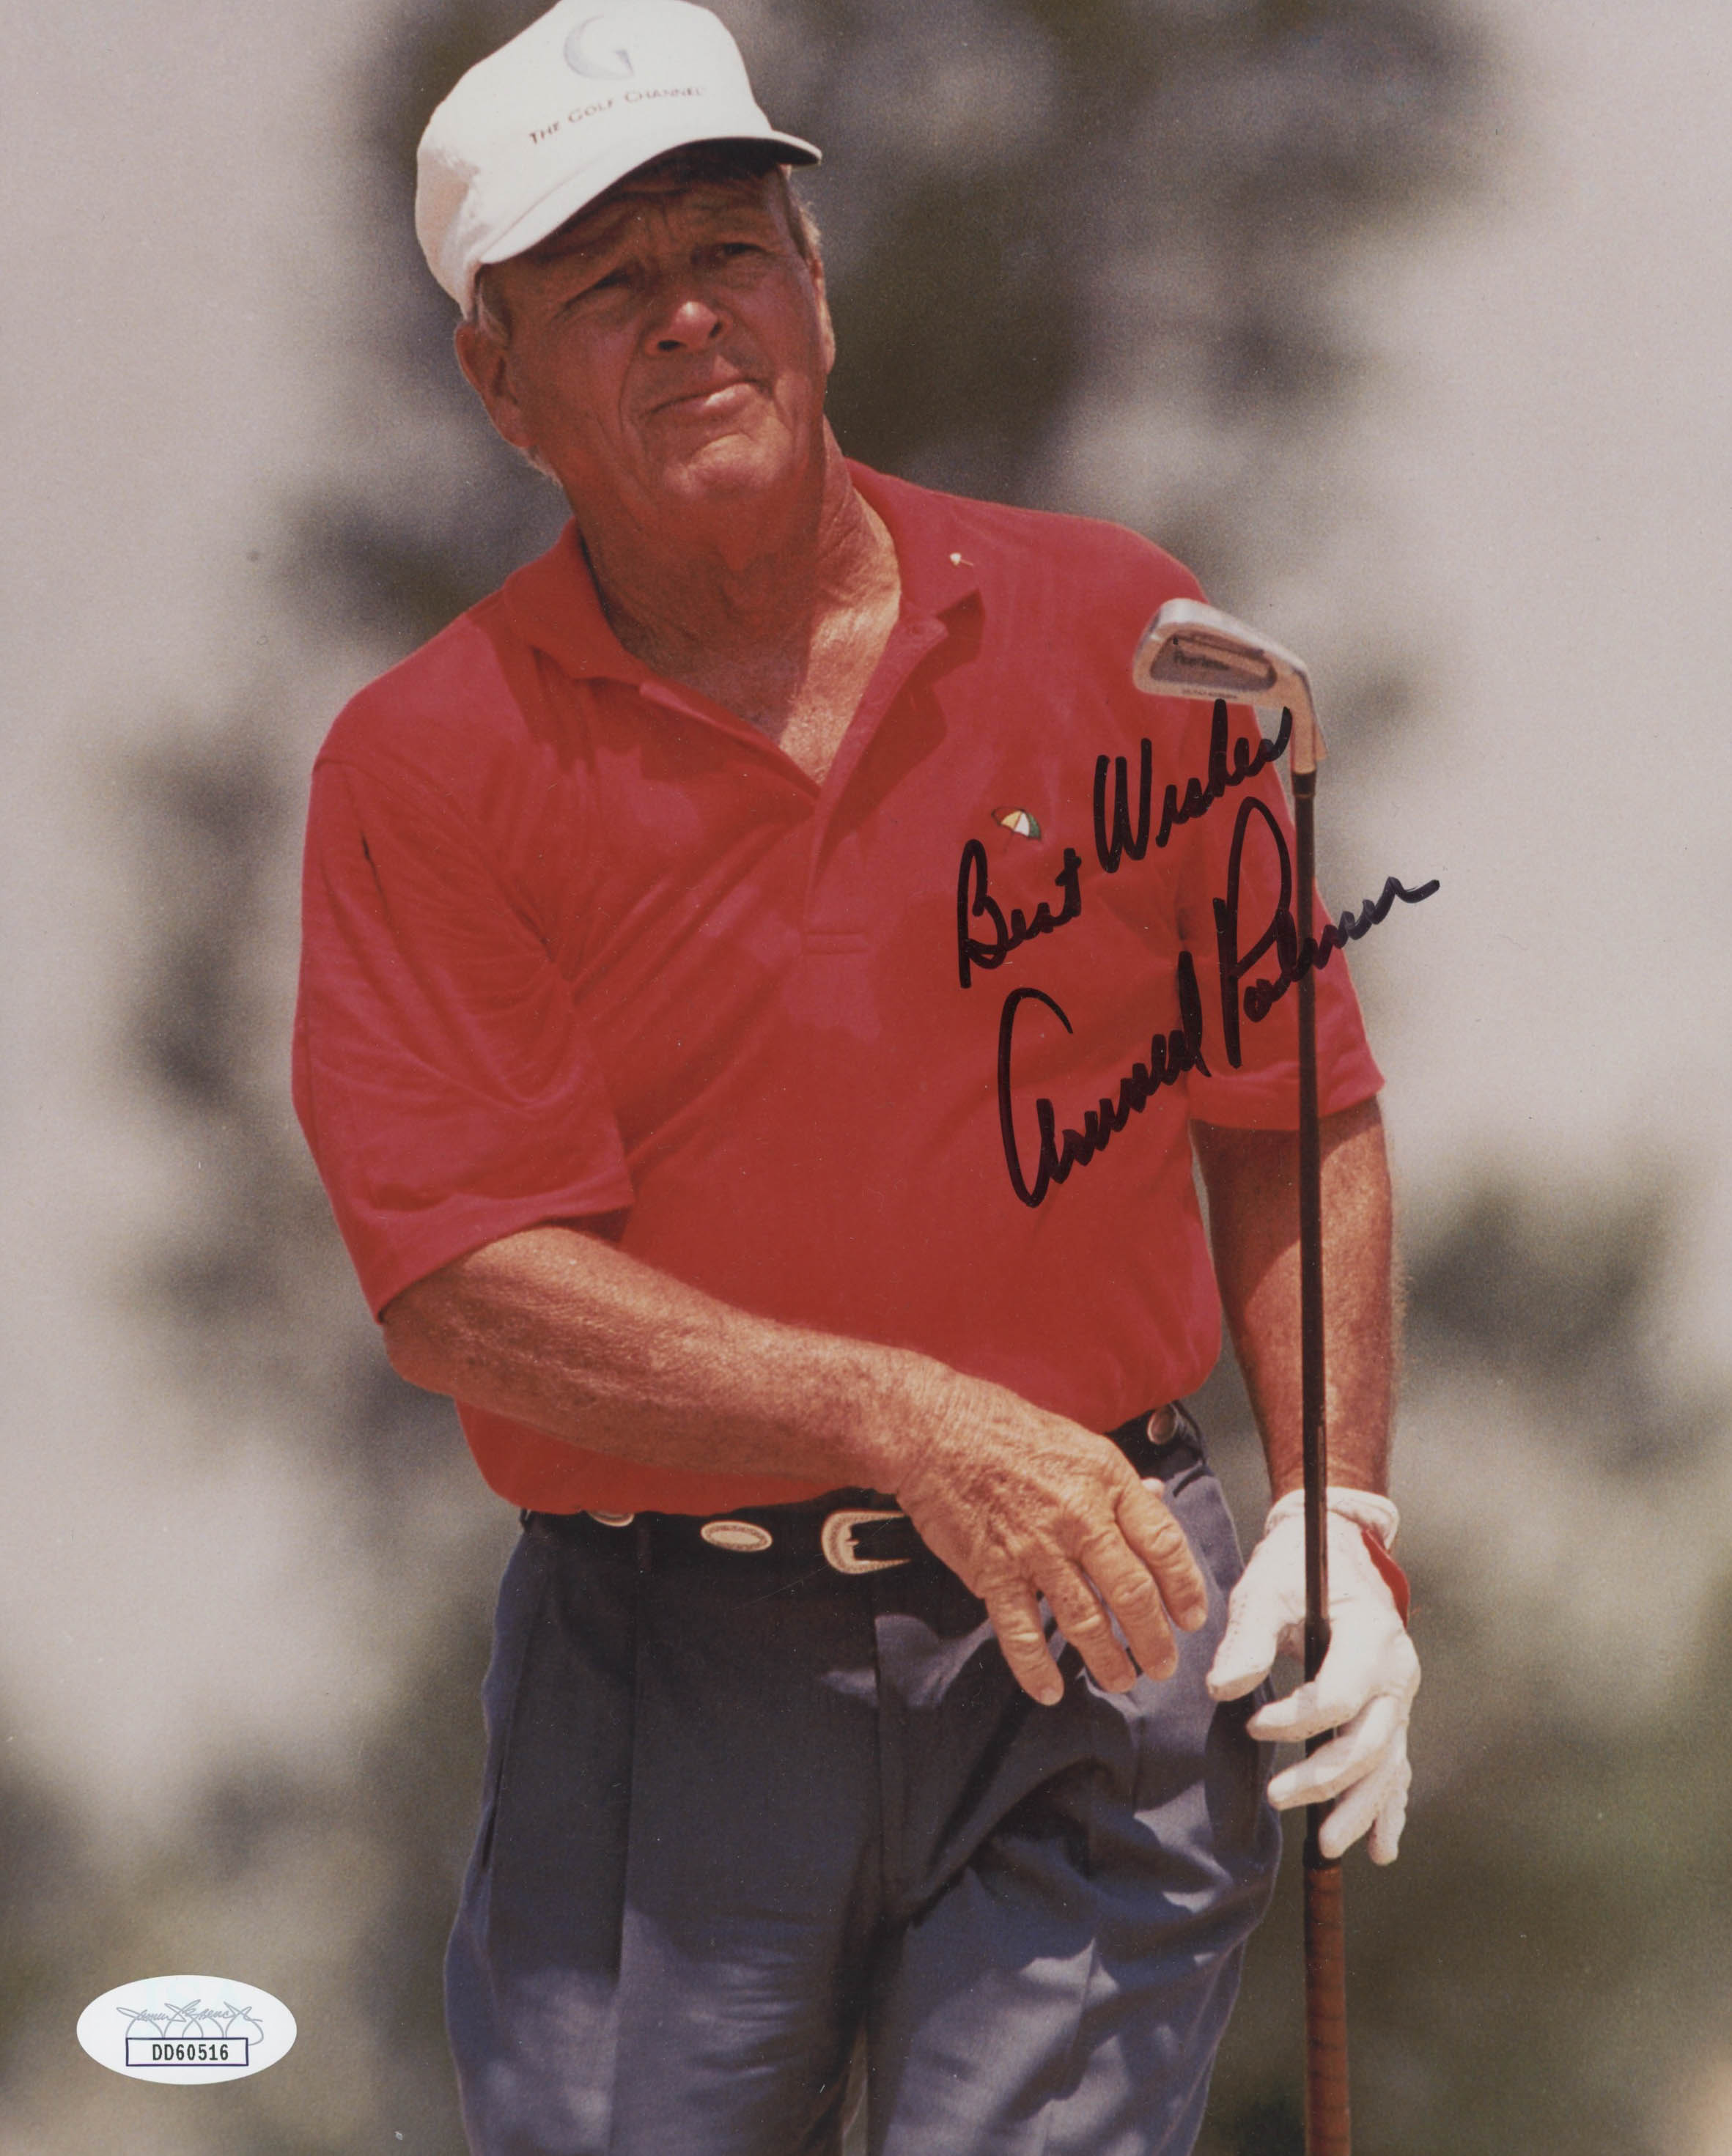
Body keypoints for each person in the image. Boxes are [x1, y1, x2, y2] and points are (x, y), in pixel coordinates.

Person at [292, 4, 1420, 2151]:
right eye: (605, 285)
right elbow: (462, 1282)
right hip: (669, 1675)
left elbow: (1292, 1105)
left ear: (814, 288)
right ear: (496, 381)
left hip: (1102, 1618)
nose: (688, 316)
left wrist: (1339, 1511)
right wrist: (899, 1418)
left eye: (729, 247)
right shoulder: (425, 762)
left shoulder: (1127, 634)